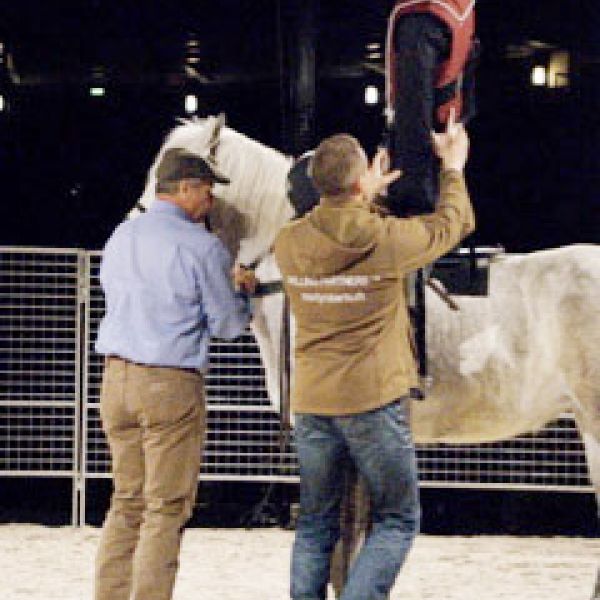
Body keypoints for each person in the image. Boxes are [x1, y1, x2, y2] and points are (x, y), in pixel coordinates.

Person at [273, 114, 474, 600]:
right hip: (371, 401)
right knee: (398, 518)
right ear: (361, 180)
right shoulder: (386, 240)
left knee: (315, 521)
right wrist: (452, 168)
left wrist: (364, 195)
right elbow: (453, 224)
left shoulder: (288, 242)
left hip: (313, 402)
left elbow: (339, 230)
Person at [94, 147, 256, 600]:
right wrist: (242, 292)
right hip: (169, 383)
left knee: (126, 500)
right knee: (165, 508)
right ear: (185, 189)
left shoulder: (122, 234)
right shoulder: (202, 246)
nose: (211, 201)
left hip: (115, 379)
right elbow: (227, 326)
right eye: (207, 191)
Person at [385, 0, 477, 216]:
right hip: (448, 145)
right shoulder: (459, 9)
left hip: (426, 164)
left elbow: (415, 107)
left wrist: (413, 199)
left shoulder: (423, 18)